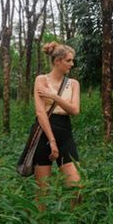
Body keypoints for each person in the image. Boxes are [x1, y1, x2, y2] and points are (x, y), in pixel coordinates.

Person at [33, 42, 82, 210]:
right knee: (43, 191)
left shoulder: (73, 83)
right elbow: (40, 112)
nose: (72, 64)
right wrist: (51, 141)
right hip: (43, 132)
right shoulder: (41, 80)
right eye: (69, 60)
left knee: (77, 187)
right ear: (58, 61)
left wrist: (55, 96)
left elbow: (75, 110)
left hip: (65, 130)